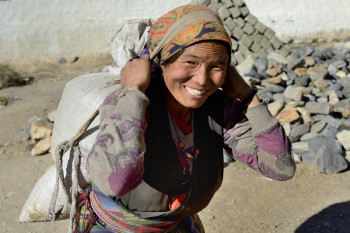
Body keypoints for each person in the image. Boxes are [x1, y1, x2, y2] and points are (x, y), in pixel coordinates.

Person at [75, 4, 295, 232]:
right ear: (162, 61)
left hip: (177, 226)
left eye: (216, 66)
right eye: (190, 62)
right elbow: (116, 182)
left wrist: (249, 98)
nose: (202, 79)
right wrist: (133, 91)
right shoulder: (128, 104)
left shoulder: (219, 110)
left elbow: (281, 168)